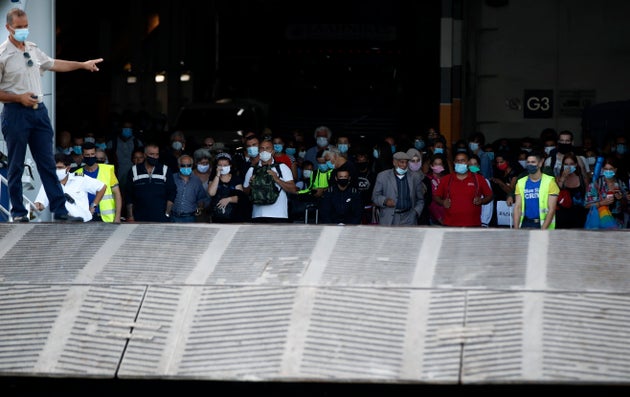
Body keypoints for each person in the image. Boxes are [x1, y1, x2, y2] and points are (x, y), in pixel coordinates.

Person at [0, 7, 103, 222]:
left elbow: (54, 63)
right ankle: (18, 212)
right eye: (19, 27)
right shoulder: (3, 55)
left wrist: (82, 65)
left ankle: (61, 210)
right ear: (8, 27)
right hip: (16, 112)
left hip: (39, 112)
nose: (24, 30)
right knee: (16, 164)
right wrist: (18, 98)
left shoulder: (32, 48)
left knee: (47, 162)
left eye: (26, 26)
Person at [33, 153, 105, 222]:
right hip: (62, 225)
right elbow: (40, 205)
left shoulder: (80, 179)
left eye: (60, 168)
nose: (56, 170)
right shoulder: (48, 183)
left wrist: (93, 206)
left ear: (68, 168)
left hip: (84, 222)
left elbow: (102, 187)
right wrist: (34, 207)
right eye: (54, 168)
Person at [432, 151, 493, 227]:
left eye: (463, 160)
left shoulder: (478, 179)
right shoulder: (446, 179)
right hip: (450, 224)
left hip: (473, 224)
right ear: (454, 163)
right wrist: (442, 202)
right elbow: (436, 196)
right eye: (457, 161)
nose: (460, 163)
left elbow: (489, 196)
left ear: (468, 162)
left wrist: (482, 200)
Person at [243, 138, 297, 222]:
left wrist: (277, 179)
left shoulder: (282, 167)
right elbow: (245, 193)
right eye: (262, 148)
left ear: (273, 151)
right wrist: (251, 184)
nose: (264, 151)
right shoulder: (252, 169)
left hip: (279, 215)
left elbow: (294, 189)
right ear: (258, 151)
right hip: (258, 215)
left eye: (268, 148)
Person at [125, 143, 176, 222]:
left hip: (161, 217)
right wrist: (130, 216)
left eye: (157, 154)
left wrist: (167, 213)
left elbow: (172, 192)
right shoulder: (134, 170)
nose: (155, 157)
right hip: (139, 217)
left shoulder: (165, 170)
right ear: (145, 155)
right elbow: (128, 195)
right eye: (151, 154)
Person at [372, 151, 425, 226]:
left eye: (406, 163)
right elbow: (375, 197)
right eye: (401, 162)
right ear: (394, 163)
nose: (404, 165)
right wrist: (385, 201)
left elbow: (420, 199)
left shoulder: (415, 177)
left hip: (409, 217)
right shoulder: (383, 176)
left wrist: (415, 212)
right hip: (389, 218)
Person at [74, 142, 122, 223]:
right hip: (85, 217)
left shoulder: (107, 170)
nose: (90, 157)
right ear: (82, 156)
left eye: (92, 154)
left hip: (106, 218)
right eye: (87, 155)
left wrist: (117, 217)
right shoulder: (77, 174)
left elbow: (117, 194)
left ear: (95, 154)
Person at [512, 150, 559, 229]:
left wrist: (542, 230)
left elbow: (552, 209)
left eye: (533, 162)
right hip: (525, 223)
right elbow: (517, 207)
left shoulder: (550, 182)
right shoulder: (521, 182)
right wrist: (516, 229)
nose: (530, 165)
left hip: (542, 224)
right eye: (528, 162)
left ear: (540, 163)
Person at [584, 156, 628, 229]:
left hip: (618, 223)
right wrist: (602, 203)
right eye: (606, 169)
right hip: (600, 221)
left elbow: (626, 206)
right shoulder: (595, 184)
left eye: (611, 169)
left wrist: (621, 198)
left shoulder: (620, 184)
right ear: (602, 169)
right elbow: (586, 205)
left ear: (615, 170)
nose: (608, 171)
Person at [208, 152, 248, 223]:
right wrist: (217, 175)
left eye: (225, 165)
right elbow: (211, 193)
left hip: (233, 217)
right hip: (217, 217)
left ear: (230, 165)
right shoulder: (213, 179)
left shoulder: (236, 179)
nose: (222, 167)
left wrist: (229, 199)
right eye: (220, 165)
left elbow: (241, 198)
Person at [169, 154, 209, 223]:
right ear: (178, 166)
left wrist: (200, 208)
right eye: (183, 166)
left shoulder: (196, 181)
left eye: (189, 165)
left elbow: (202, 198)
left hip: (190, 218)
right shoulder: (172, 178)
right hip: (173, 217)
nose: (186, 167)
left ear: (192, 166)